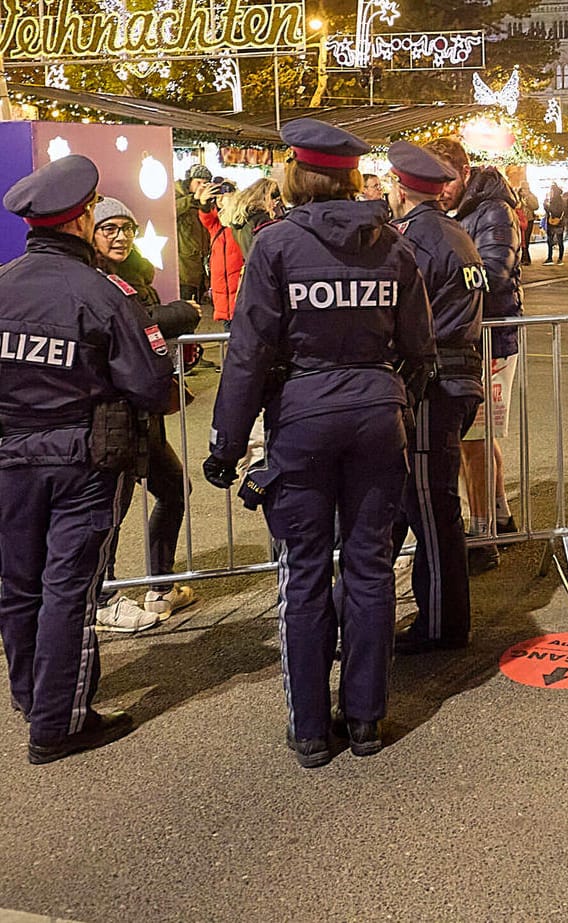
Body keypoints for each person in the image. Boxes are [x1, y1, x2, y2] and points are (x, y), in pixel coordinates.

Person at [203, 119, 436, 768]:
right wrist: (394, 404)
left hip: (302, 423)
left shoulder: (275, 247)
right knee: (368, 567)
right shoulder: (392, 247)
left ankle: (310, 730)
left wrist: (226, 445)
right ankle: (365, 719)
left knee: (303, 573)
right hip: (374, 420)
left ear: (297, 175)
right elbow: (420, 351)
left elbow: (249, 354)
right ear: (349, 176)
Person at [0, 155, 174, 763]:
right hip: (83, 457)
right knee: (68, 587)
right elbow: (153, 385)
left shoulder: (2, 284)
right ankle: (58, 723)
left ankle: (33, 696)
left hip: (10, 456)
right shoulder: (103, 294)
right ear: (79, 220)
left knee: (19, 584)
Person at [386, 141, 487, 654]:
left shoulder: (415, 243)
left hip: (434, 384)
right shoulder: (455, 234)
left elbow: (409, 321)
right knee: (425, 502)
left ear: (402, 189)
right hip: (455, 379)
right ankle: (437, 617)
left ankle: (442, 625)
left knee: (431, 508)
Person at [89, 197, 201, 630]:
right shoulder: (92, 279)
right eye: (109, 228)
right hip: (113, 415)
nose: (120, 236)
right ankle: (103, 596)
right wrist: (177, 316)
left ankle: (160, 584)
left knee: (174, 489)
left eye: (126, 227)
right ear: (91, 234)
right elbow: (133, 324)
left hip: (145, 414)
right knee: (110, 509)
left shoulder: (137, 273)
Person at [450, 153, 525, 573]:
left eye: (443, 179)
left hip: (487, 338)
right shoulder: (466, 209)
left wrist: (442, 277)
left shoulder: (493, 211)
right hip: (475, 336)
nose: (438, 188)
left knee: (475, 439)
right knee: (477, 438)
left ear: (463, 173)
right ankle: (498, 519)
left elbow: (494, 271)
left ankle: (483, 536)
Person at [195, 179, 245, 328]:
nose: (222, 199)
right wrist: (203, 202)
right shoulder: (216, 225)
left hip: (241, 296)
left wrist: (235, 198)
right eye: (219, 196)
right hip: (223, 300)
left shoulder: (241, 224)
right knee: (229, 337)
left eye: (226, 194)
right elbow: (205, 217)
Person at [221, 178, 284, 261]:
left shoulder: (241, 220)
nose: (275, 205)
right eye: (275, 199)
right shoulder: (261, 220)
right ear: (265, 197)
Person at [175, 164, 211, 305]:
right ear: (189, 181)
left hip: (200, 262)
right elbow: (171, 211)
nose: (201, 186)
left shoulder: (204, 199)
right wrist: (193, 199)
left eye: (205, 183)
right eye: (198, 182)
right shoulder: (176, 194)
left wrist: (205, 203)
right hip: (184, 264)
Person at [542, 183, 566, 265]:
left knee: (553, 241)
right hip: (558, 222)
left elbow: (554, 211)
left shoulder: (556, 201)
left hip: (555, 223)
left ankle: (551, 258)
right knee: (558, 241)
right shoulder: (561, 200)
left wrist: (546, 206)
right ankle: (559, 258)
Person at [517, 181, 539, 266]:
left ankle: (526, 258)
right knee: (520, 240)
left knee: (526, 239)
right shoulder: (518, 197)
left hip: (528, 220)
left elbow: (536, 206)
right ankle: (523, 257)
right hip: (519, 219)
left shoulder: (532, 196)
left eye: (526, 189)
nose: (524, 191)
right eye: (523, 189)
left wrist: (528, 199)